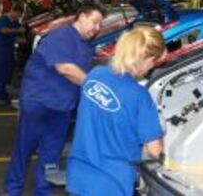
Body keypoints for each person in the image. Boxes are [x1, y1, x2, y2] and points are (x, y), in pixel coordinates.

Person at [4, 3, 105, 196]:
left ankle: (42, 190)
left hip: (62, 106)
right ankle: (12, 188)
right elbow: (65, 68)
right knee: (25, 147)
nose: (97, 28)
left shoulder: (85, 45)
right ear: (82, 17)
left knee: (52, 152)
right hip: (39, 102)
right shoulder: (62, 36)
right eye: (95, 22)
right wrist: (96, 89)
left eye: (100, 24)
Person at [66, 26, 165, 196]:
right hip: (112, 182)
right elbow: (154, 149)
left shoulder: (95, 75)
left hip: (79, 172)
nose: (152, 67)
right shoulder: (139, 96)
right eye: (155, 62)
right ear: (147, 59)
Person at [0, 3, 25, 105]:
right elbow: (3, 30)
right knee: (0, 73)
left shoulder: (15, 21)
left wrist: (20, 37)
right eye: (17, 15)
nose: (18, 17)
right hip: (0, 50)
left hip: (9, 50)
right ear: (13, 11)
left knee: (8, 73)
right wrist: (18, 30)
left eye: (19, 16)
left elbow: (14, 35)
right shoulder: (2, 20)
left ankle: (3, 94)